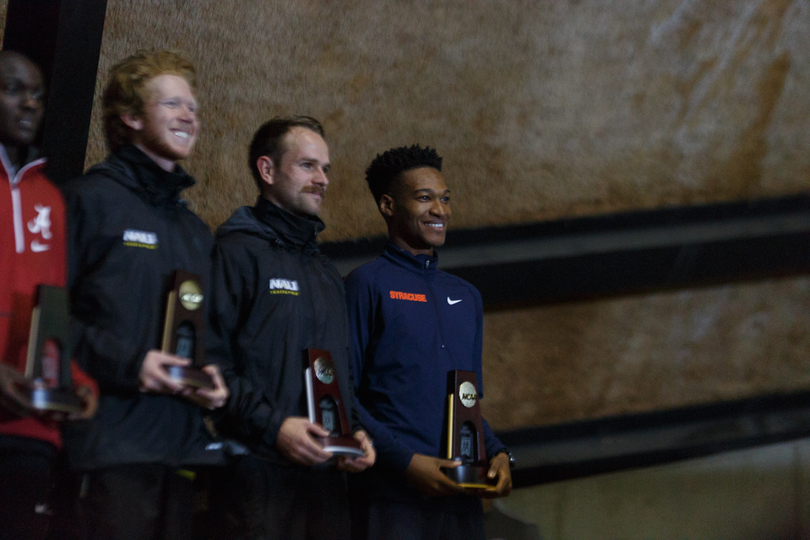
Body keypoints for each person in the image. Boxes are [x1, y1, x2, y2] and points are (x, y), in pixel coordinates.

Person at [60, 50, 229, 540]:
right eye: (172, 105)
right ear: (130, 117)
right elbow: (47, 321)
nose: (188, 117)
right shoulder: (87, 201)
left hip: (182, 452)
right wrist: (132, 363)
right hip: (109, 447)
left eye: (193, 109)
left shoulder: (195, 230)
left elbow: (206, 334)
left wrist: (214, 378)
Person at [207, 116, 375, 540]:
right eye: (307, 166)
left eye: (326, 169)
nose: (322, 180)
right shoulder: (234, 253)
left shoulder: (324, 271)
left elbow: (337, 372)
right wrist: (274, 428)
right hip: (255, 478)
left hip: (324, 486)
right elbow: (208, 363)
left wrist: (352, 431)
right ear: (267, 171)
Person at [344, 144, 513, 540]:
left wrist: (499, 452)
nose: (441, 209)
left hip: (460, 498)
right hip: (390, 500)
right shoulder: (366, 284)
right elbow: (342, 397)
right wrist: (405, 463)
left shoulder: (466, 295)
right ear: (388, 205)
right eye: (424, 198)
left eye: (445, 198)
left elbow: (466, 402)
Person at [0, 50, 98, 540]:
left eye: (37, 94)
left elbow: (53, 312)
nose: (29, 104)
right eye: (13, 89)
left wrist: (76, 381)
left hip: (29, 426)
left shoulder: (50, 200)